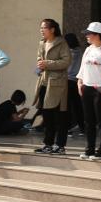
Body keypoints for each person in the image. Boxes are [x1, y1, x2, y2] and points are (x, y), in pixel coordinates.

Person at [76, 22, 101, 160]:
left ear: (97, 35)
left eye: (89, 33)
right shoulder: (88, 49)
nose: (86, 36)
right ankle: (89, 149)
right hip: (87, 87)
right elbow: (82, 67)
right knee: (89, 121)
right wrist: (80, 82)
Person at [34, 19, 71, 155]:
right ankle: (47, 144)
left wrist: (47, 64)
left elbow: (66, 61)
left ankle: (60, 145)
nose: (41, 30)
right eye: (41, 28)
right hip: (44, 82)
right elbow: (39, 58)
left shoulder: (61, 43)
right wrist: (40, 63)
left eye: (44, 28)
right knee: (46, 114)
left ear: (52, 29)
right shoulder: (42, 43)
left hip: (57, 84)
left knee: (59, 115)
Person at [65, 32, 84, 134]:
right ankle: (82, 127)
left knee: (67, 106)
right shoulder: (80, 52)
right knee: (77, 105)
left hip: (67, 80)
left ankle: (68, 128)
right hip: (76, 81)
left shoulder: (66, 53)